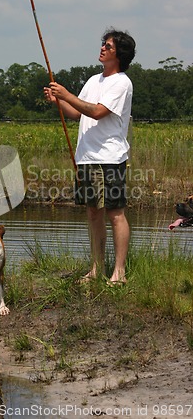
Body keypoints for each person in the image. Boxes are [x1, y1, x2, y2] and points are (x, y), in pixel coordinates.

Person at [44, 28, 136, 284]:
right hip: (86, 157)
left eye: (108, 46)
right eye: (103, 44)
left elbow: (97, 111)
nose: (103, 48)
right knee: (93, 211)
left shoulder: (121, 82)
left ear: (119, 54)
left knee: (115, 212)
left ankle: (119, 272)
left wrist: (67, 94)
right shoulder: (93, 80)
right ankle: (96, 269)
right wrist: (57, 101)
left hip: (110, 157)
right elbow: (76, 112)